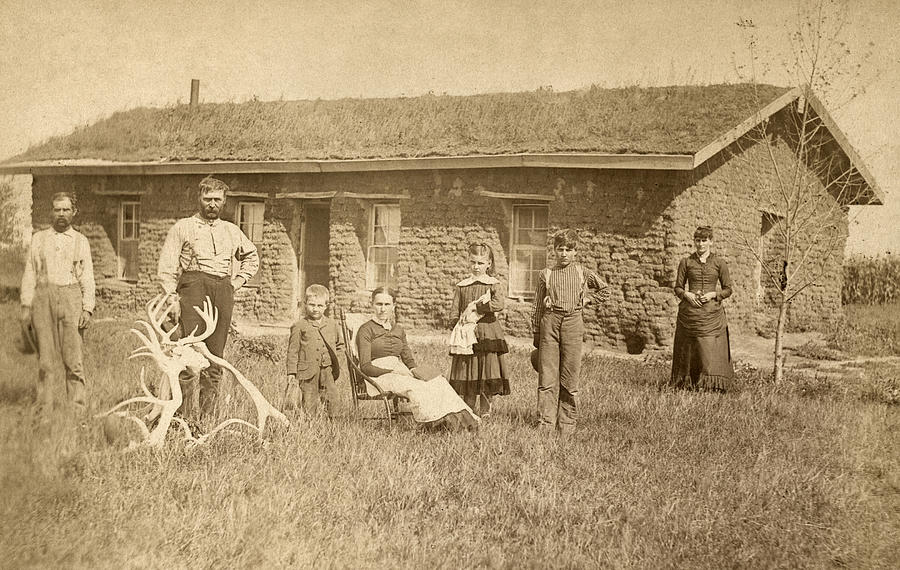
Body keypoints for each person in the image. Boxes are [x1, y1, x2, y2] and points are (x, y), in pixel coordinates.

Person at [157, 175, 260, 421]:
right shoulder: (183, 227)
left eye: (217, 200)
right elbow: (167, 266)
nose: (212, 204)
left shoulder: (232, 230)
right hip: (192, 290)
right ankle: (180, 418)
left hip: (222, 291)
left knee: (215, 356)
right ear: (199, 199)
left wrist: (235, 283)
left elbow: (252, 257)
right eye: (207, 199)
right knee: (188, 355)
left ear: (224, 202)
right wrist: (171, 297)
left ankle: (207, 418)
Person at [356, 287, 479, 430]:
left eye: (387, 304)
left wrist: (417, 372)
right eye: (379, 304)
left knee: (438, 382)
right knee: (417, 387)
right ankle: (431, 423)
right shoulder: (365, 329)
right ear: (372, 304)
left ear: (393, 306)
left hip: (400, 371)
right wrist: (394, 371)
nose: (383, 309)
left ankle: (460, 422)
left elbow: (408, 359)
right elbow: (365, 367)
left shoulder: (398, 329)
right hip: (377, 377)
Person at [19, 191, 95, 414]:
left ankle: (77, 411)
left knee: (74, 360)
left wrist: (88, 308)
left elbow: (87, 277)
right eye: (57, 209)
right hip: (43, 299)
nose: (61, 214)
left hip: (71, 297)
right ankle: (44, 411)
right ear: (52, 211)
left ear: (74, 212)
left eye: (66, 210)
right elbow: (30, 273)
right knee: (45, 361)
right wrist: (26, 305)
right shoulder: (39, 239)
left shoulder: (81, 241)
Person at [531, 229, 609, 435]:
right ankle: (544, 424)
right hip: (550, 323)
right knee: (547, 378)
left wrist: (588, 299)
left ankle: (566, 426)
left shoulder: (582, 273)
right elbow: (538, 305)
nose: (564, 253)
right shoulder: (545, 274)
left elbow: (605, 290)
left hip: (573, 324)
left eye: (569, 249)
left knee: (569, 377)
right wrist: (536, 332)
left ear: (575, 252)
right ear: (554, 251)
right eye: (560, 249)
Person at [447, 243, 510, 417]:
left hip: (487, 333)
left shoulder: (493, 284)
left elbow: (499, 304)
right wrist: (455, 326)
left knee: (486, 370)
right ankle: (468, 411)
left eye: (480, 263)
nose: (476, 267)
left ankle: (485, 412)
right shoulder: (462, 286)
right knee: (468, 370)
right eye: (473, 262)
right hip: (467, 334)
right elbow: (455, 308)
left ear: (489, 264)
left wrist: (478, 308)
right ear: (468, 261)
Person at [669, 225, 734, 391]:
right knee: (690, 349)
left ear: (711, 241)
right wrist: (687, 295)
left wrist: (713, 295)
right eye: (697, 240)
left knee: (709, 349)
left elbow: (728, 289)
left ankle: (710, 386)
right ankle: (687, 383)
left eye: (704, 240)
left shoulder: (719, 263)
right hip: (690, 312)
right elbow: (677, 287)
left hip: (711, 313)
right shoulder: (686, 262)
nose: (700, 244)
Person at [285, 284, 344, 418]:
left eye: (319, 305)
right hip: (307, 371)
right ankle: (309, 425)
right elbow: (293, 351)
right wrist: (292, 372)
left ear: (326, 306)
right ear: (305, 304)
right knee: (309, 400)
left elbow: (340, 345)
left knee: (332, 398)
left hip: (327, 370)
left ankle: (333, 424)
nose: (315, 309)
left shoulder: (332, 324)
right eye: (312, 305)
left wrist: (335, 360)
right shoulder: (299, 325)